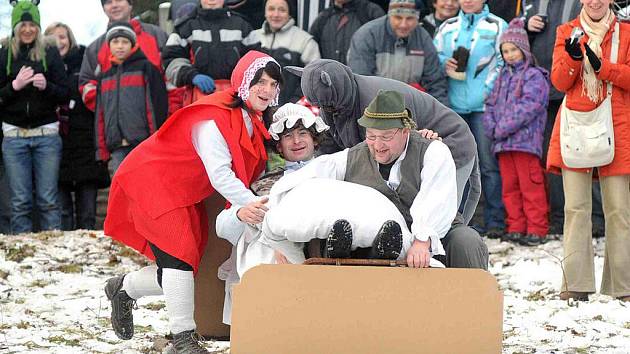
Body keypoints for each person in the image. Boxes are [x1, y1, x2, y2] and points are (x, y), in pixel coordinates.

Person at [102, 51, 283, 352]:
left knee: (184, 269)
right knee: (179, 260)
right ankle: (184, 339)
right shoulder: (213, 117)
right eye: (260, 82)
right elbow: (221, 175)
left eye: (274, 84)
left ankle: (124, 288)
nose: (267, 90)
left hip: (183, 190)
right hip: (154, 182)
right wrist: (257, 206)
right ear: (243, 82)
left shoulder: (251, 120)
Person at [268, 90, 488, 269]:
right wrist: (278, 228)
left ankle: (470, 315)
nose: (377, 145)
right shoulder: (353, 157)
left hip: (435, 232)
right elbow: (310, 175)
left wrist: (423, 239)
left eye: (386, 137)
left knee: (465, 242)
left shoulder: (432, 151)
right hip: (382, 238)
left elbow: (437, 197)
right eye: (371, 136)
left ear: (405, 131)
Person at [288, 59, 480, 224]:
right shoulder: (336, 102)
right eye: (319, 105)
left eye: (327, 104)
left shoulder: (375, 102)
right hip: (410, 148)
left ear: (334, 86)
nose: (324, 109)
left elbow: (393, 152)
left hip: (450, 142)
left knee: (440, 217)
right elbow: (330, 151)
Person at [546, 0, 630, 302]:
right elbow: (558, 82)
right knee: (576, 209)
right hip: (576, 126)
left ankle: (623, 285)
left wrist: (602, 67)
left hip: (617, 127)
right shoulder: (566, 32)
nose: (594, 1)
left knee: (619, 210)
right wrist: (571, 58)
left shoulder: (626, 32)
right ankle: (576, 283)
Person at [216, 102, 329, 324]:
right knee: (257, 243)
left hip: (319, 258)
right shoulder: (262, 182)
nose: (296, 141)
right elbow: (221, 226)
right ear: (279, 145)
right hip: (269, 262)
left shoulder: (330, 173)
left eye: (303, 133)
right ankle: (265, 320)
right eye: (288, 136)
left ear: (314, 139)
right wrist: (241, 213)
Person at [526, 0, 605, 237]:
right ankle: (561, 217)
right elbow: (514, 44)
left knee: (592, 153)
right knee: (556, 158)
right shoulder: (532, 3)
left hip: (583, 90)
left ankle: (598, 218)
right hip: (544, 92)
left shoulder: (591, 3)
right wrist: (526, 28)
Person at [434, 0, 507, 238]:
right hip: (453, 107)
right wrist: (444, 62)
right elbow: (433, 57)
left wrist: (487, 92)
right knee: (459, 165)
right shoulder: (447, 27)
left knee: (488, 166)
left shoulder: (497, 25)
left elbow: (503, 62)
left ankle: (495, 220)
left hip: (484, 107)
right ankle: (463, 220)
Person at [0, 0, 69, 234]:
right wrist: (14, 86)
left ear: (38, 26)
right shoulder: (3, 54)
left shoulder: (50, 52)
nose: (27, 29)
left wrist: (47, 86)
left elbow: (66, 93)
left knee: (48, 199)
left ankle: (53, 249)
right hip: (13, 135)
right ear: (15, 26)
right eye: (23, 24)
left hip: (46, 135)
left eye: (32, 24)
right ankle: (24, 252)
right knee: (19, 202)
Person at [482, 18, 549, 246]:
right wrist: (490, 126)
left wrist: (501, 127)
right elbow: (490, 103)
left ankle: (537, 228)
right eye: (505, 51)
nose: (510, 55)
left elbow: (528, 107)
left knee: (530, 187)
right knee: (509, 188)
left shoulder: (534, 76)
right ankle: (516, 226)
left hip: (525, 144)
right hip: (503, 145)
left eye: (513, 50)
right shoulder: (502, 78)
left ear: (523, 49)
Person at [44, 23, 110, 231]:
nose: (58, 42)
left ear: (70, 39)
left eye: (62, 37)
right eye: (53, 38)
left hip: (84, 140)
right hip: (56, 140)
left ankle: (89, 244)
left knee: (88, 208)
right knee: (62, 207)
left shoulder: (84, 63)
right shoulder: (42, 67)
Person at [94, 22, 168, 173]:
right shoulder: (104, 77)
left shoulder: (146, 69)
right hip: (116, 146)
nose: (120, 46)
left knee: (145, 187)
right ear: (109, 45)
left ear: (133, 44)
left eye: (125, 41)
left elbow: (155, 108)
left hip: (142, 145)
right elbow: (100, 115)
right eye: (115, 42)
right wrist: (101, 149)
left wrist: (155, 142)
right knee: (120, 190)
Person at [347, 0, 449, 106]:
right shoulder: (367, 35)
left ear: (417, 18)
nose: (403, 24)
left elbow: (435, 83)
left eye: (409, 18)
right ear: (389, 15)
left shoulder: (423, 38)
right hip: (374, 107)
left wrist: (443, 115)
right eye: (398, 18)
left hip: (410, 108)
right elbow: (361, 82)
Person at [79, 0, 168, 113]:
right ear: (103, 8)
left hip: (159, 119)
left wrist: (169, 112)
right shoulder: (94, 48)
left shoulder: (157, 35)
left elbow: (172, 79)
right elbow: (86, 85)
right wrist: (109, 112)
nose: (114, 5)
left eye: (119, 0)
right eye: (108, 2)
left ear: (130, 4)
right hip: (114, 125)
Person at [162, 0, 259, 103]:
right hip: (198, 99)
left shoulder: (242, 25)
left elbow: (257, 62)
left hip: (236, 99)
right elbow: (170, 60)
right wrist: (192, 75)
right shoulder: (185, 27)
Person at [252, 0, 321, 104]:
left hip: (291, 111)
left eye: (282, 10)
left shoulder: (305, 41)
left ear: (289, 13)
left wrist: (294, 104)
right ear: (265, 12)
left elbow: (314, 79)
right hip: (256, 109)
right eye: (271, 9)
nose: (276, 14)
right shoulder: (252, 37)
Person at [309, 0, 385, 64]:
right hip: (331, 79)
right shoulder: (323, 18)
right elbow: (312, 53)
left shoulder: (370, 12)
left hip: (363, 79)